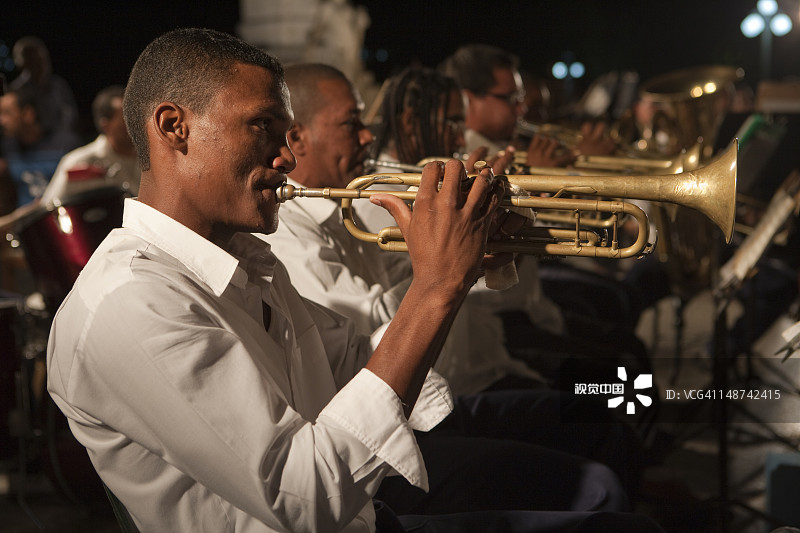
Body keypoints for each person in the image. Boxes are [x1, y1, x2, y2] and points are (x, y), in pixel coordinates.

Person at [47, 28, 662, 533]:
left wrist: (472, 262)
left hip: (391, 472)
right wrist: (438, 283)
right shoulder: (131, 301)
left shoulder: (243, 258)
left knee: (621, 402)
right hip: (348, 500)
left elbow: (354, 355)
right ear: (174, 126)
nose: (285, 156)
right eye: (263, 126)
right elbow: (305, 496)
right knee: (608, 485)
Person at [270, 62, 652, 509]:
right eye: (351, 123)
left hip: (459, 379)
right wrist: (455, 260)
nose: (460, 135)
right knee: (602, 444)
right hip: (429, 405)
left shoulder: (347, 206)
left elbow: (489, 295)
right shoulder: (347, 210)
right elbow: (378, 327)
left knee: (615, 389)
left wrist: (483, 245)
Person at [40, 84, 140, 205]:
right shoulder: (79, 162)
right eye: (125, 121)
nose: (134, 125)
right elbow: (50, 207)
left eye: (136, 117)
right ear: (105, 125)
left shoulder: (152, 159)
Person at [0, 84, 81, 207]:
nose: (2, 121)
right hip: (24, 220)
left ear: (28, 114)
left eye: (7, 113)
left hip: (62, 214)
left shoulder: (66, 143)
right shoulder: (8, 148)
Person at [9, 36, 79, 141]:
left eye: (42, 59)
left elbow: (71, 113)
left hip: (61, 141)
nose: (41, 65)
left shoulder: (59, 85)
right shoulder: (16, 91)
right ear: (22, 63)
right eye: (34, 61)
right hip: (29, 146)